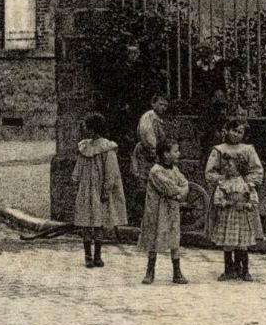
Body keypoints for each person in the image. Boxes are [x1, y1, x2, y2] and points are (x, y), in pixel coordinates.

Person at [205, 117, 263, 281]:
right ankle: (229, 268)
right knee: (228, 237)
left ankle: (241, 267)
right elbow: (210, 172)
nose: (237, 135)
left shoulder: (248, 149)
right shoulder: (219, 149)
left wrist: (247, 184)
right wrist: (223, 182)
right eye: (234, 130)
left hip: (242, 196)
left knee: (242, 236)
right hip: (226, 195)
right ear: (227, 131)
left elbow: (257, 170)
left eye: (240, 132)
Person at [73, 112, 127, 269]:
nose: (85, 131)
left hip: (99, 190)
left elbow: (111, 172)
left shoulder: (106, 148)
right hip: (86, 189)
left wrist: (106, 190)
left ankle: (97, 255)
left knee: (98, 222)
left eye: (87, 128)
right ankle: (87, 256)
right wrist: (77, 180)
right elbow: (80, 165)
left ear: (94, 129)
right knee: (86, 222)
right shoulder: (85, 147)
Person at [138, 139, 189, 285]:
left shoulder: (174, 169)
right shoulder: (155, 171)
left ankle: (177, 272)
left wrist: (180, 193)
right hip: (156, 210)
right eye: (175, 151)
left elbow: (185, 183)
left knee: (174, 237)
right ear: (166, 154)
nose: (178, 153)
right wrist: (179, 193)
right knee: (154, 237)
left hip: (171, 209)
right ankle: (150, 271)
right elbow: (169, 187)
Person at [131, 93, 170, 184]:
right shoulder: (149, 117)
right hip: (146, 152)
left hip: (155, 153)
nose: (163, 107)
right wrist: (153, 152)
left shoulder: (159, 119)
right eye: (161, 104)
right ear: (153, 104)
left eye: (165, 105)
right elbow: (148, 136)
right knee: (145, 180)